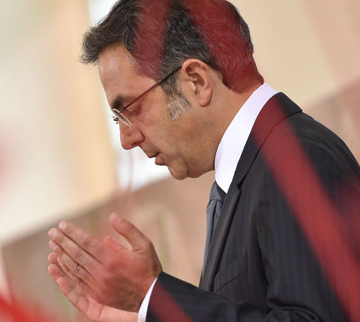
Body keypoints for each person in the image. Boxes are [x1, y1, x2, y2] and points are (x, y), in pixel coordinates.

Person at [46, 0, 360, 321]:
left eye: (131, 110)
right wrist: (144, 311)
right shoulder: (245, 178)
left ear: (196, 81)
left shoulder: (296, 160)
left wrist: (155, 298)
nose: (127, 140)